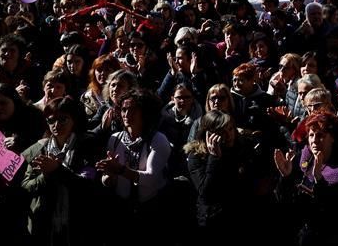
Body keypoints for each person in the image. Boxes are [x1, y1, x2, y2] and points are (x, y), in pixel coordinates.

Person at [95, 88, 171, 246]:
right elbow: (107, 180)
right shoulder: (114, 139)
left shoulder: (158, 140)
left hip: (150, 211)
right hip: (121, 209)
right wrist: (109, 176)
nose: (126, 114)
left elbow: (150, 178)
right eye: (123, 109)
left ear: (146, 112)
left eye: (133, 109)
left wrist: (121, 170)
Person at [20, 96, 98, 246]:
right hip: (43, 225)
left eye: (63, 119)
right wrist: (45, 176)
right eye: (51, 120)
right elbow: (26, 185)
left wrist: (57, 170)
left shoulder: (88, 146)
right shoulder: (39, 149)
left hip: (78, 224)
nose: (56, 124)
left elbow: (88, 185)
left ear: (74, 120)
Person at [274, 112, 338, 246]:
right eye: (311, 135)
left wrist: (319, 181)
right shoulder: (304, 157)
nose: (314, 140)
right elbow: (284, 201)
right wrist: (286, 177)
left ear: (333, 138)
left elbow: (333, 214)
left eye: (320, 135)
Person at [184, 109, 252, 241]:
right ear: (209, 134)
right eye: (222, 131)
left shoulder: (239, 148)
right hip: (212, 219)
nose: (229, 135)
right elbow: (206, 192)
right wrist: (214, 158)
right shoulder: (197, 156)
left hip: (238, 216)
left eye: (231, 129)